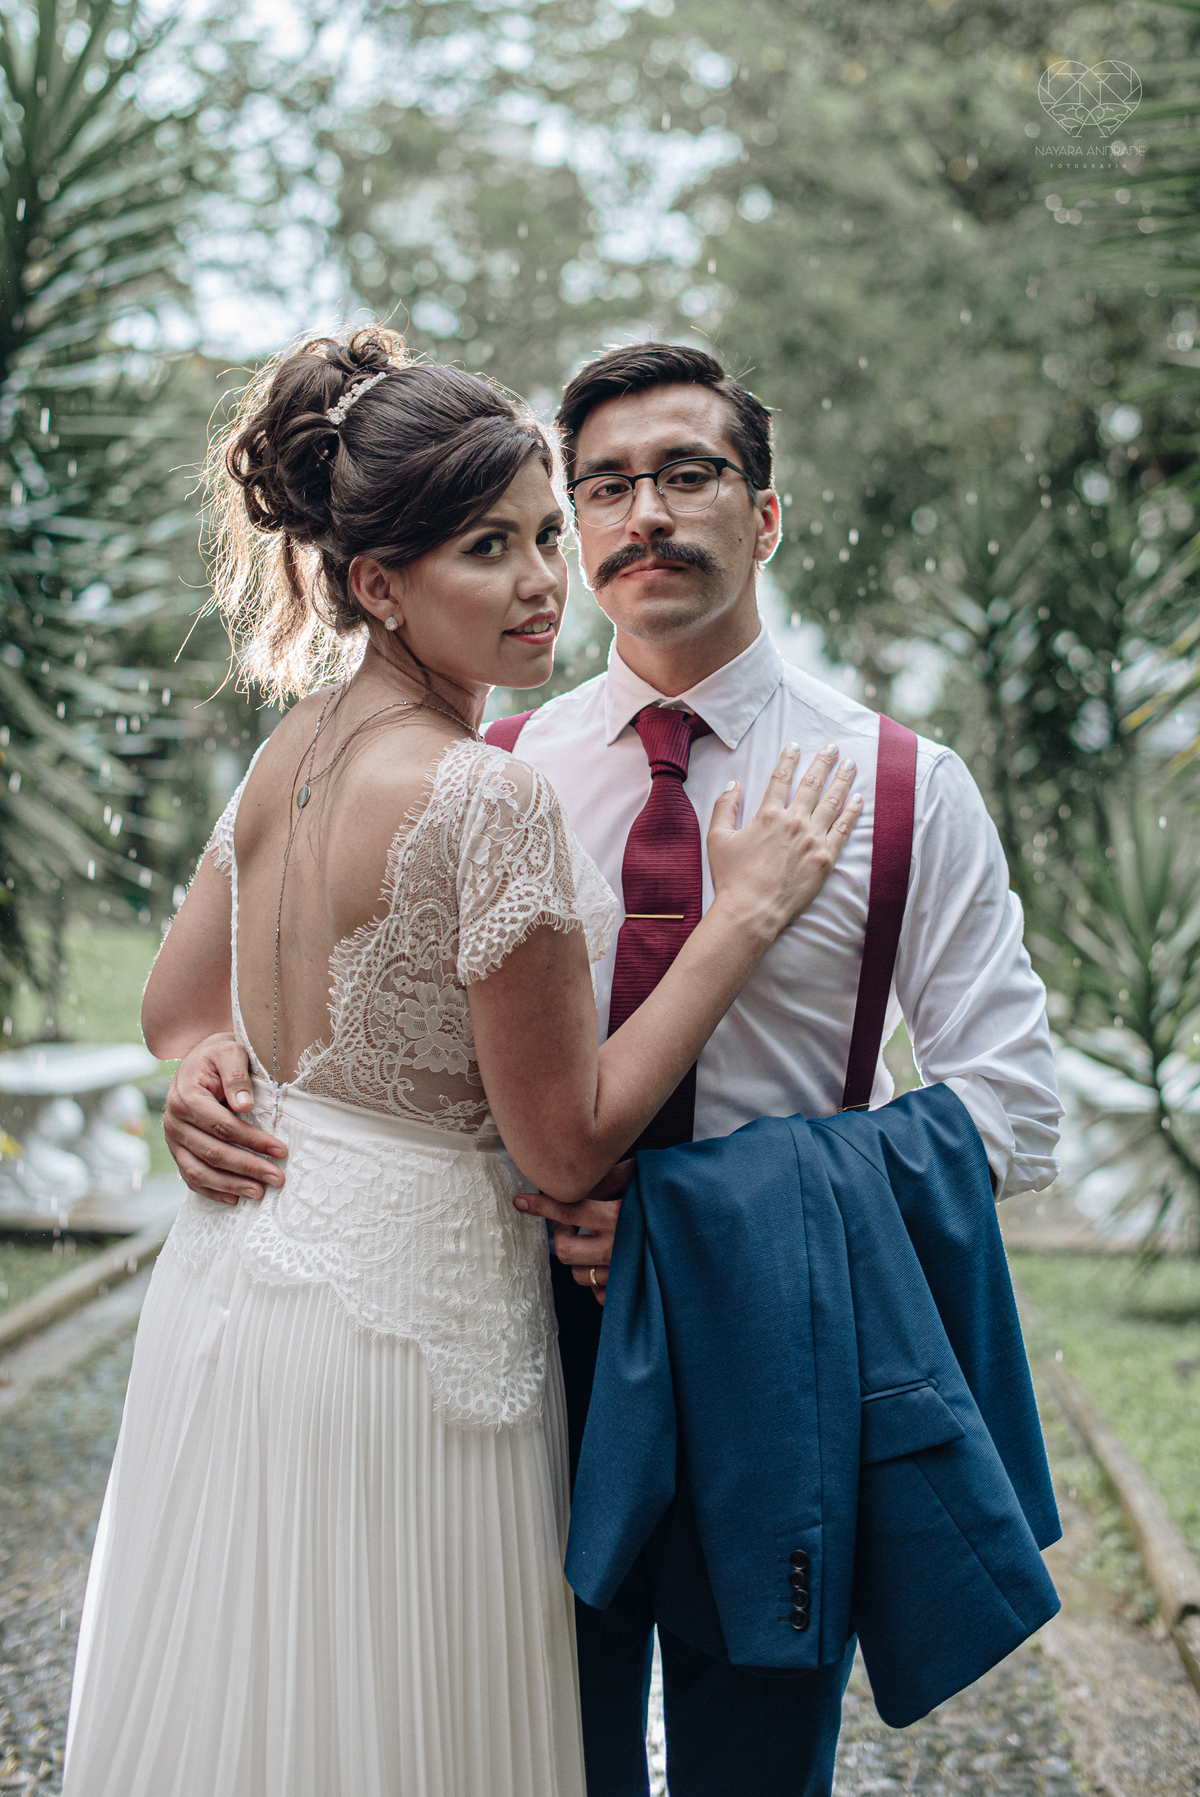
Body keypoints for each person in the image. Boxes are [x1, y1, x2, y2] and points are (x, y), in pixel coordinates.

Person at [161, 342, 1063, 1796]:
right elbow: (301, 978)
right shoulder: (488, 761)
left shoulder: (904, 786)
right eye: (604, 488)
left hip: (768, 1361)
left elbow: (1017, 1114)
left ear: (765, 515)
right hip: (510, 1361)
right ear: (573, 530)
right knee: (526, 1753)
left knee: (753, 1772)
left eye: (689, 473)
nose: (644, 514)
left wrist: (703, 1213)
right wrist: (213, 1061)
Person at [61, 328, 861, 1797]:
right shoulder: (486, 797)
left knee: (275, 1709)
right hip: (418, 1335)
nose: (546, 578)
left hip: (248, 1290)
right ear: (378, 584)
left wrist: (205, 1074)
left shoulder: (287, 750)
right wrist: (738, 919)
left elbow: (179, 1005)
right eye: (488, 550)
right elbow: (563, 1145)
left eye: (547, 531)